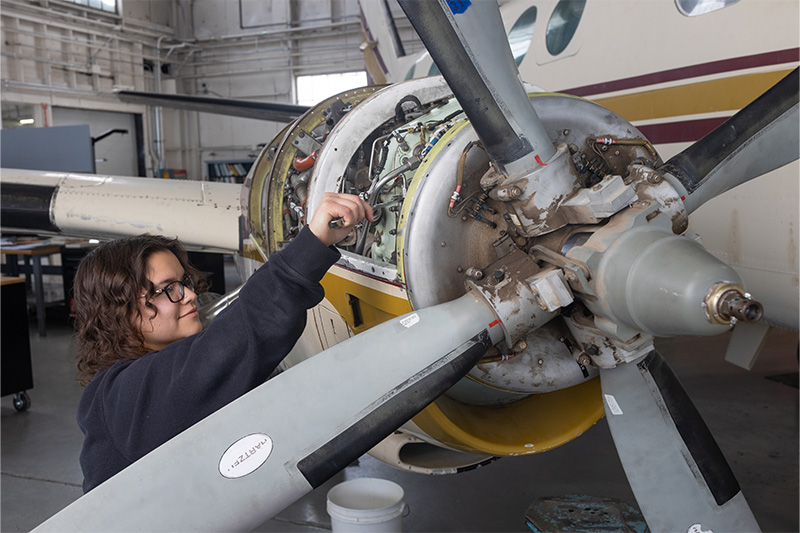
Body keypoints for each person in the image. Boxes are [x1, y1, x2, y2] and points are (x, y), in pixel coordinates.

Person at [73, 192, 372, 493]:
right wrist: (313, 243)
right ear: (119, 309)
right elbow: (232, 342)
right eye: (169, 289)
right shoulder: (120, 397)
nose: (189, 295)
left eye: (184, 283)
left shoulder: (155, 375)